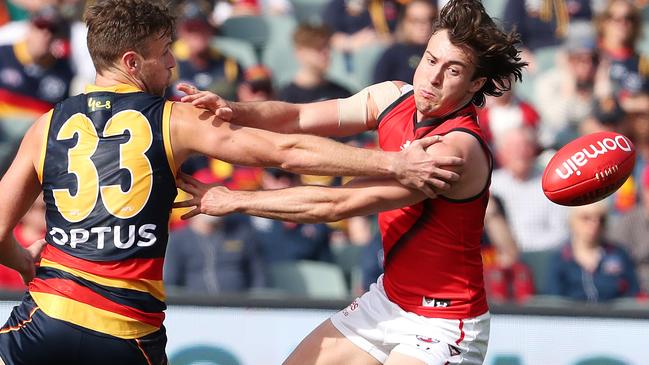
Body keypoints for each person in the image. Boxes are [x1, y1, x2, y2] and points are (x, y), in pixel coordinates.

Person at [0, 0, 465, 364]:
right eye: (165, 55)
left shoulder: (45, 126)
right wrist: (394, 164)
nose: (173, 66)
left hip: (45, 321)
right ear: (132, 62)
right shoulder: (172, 120)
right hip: (127, 335)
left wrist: (24, 263)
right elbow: (286, 149)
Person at [175, 1, 526, 363]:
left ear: (475, 84)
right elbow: (298, 116)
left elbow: (335, 204)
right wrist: (236, 109)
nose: (433, 78)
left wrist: (236, 200)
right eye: (431, 60)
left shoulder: (453, 150)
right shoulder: (393, 96)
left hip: (444, 321)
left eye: (452, 70)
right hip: (389, 300)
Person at [545, 200, 640, 302]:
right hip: (572, 316)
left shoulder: (619, 254)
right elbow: (553, 298)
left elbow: (633, 293)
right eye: (586, 218)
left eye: (601, 219)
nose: (594, 224)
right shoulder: (561, 258)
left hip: (613, 316)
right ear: (572, 221)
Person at [372, 0, 436, 84]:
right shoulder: (392, 54)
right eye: (416, 20)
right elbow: (379, 89)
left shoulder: (439, 53)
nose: (425, 26)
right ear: (405, 22)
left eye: (431, 19)